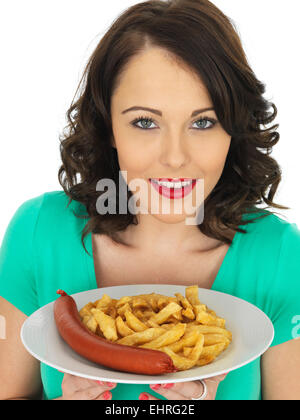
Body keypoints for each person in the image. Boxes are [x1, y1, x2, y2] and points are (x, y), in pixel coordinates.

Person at [1, 0, 300, 401]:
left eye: (202, 122)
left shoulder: (281, 256)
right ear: (108, 126)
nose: (175, 157)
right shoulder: (38, 232)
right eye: (145, 122)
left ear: (234, 127)